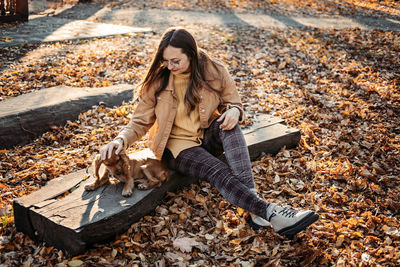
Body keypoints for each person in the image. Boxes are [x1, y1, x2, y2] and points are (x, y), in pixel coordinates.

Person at [100, 27, 318, 239]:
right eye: (165, 61)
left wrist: (234, 110)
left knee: (231, 125)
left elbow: (235, 103)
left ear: (192, 55)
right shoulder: (158, 81)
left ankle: (254, 208)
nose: (169, 66)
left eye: (176, 61)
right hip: (176, 148)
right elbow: (139, 121)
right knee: (218, 170)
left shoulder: (214, 71)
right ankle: (271, 213)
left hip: (205, 136)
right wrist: (121, 139)